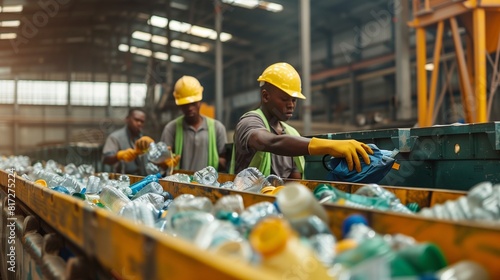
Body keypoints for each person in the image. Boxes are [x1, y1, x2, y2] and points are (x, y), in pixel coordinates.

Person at [230, 62, 373, 179]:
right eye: (285, 99)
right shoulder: (249, 121)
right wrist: (329, 146)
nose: (291, 105)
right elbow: (271, 142)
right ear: (266, 96)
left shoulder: (292, 133)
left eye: (294, 100)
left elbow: (295, 179)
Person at [160, 75, 227, 172]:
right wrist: (164, 162)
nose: (190, 108)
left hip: (207, 185)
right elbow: (162, 161)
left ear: (200, 101)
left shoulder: (217, 128)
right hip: (179, 185)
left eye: (193, 103)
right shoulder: (171, 129)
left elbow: (224, 159)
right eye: (185, 105)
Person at [102, 108, 155, 175]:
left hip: (143, 179)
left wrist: (152, 146)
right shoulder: (115, 137)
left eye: (142, 121)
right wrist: (119, 155)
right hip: (122, 180)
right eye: (136, 120)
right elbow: (105, 159)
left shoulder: (143, 139)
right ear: (127, 119)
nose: (139, 123)